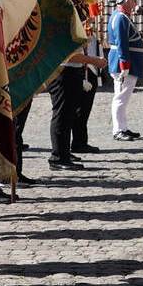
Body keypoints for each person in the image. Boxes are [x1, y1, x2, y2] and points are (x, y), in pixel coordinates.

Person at [47, 13, 108, 170]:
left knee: (68, 115)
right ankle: (58, 157)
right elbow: (69, 56)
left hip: (72, 73)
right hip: (63, 73)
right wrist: (94, 61)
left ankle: (64, 152)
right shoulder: (60, 27)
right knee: (62, 115)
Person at [106, 0, 143, 141]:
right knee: (121, 97)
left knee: (123, 97)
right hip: (122, 63)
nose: (135, 3)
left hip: (124, 62)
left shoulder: (122, 17)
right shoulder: (121, 18)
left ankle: (122, 127)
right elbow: (122, 43)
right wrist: (125, 65)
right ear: (126, 1)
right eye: (133, 0)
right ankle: (118, 130)